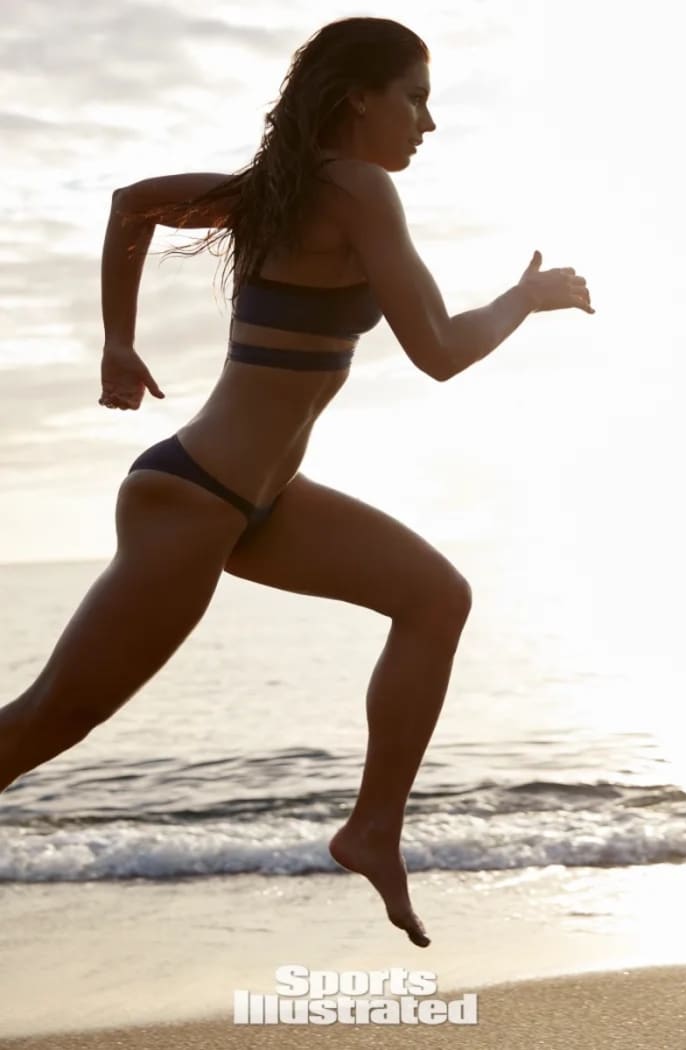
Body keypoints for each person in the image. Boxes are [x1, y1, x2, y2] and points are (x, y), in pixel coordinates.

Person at [0, 16, 593, 947]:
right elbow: (437, 351)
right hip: (195, 498)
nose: (426, 125)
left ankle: (372, 829)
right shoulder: (356, 187)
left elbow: (132, 204)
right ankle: (373, 827)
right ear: (360, 96)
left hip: (257, 504)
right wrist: (525, 298)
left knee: (436, 597)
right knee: (41, 726)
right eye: (416, 98)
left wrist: (121, 341)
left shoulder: (284, 191)